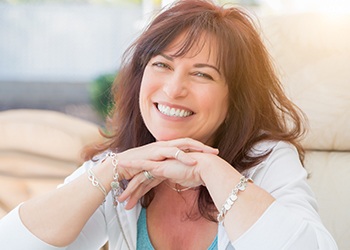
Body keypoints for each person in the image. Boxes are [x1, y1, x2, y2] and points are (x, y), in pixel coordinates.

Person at [0, 0, 338, 249]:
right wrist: (109, 170)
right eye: (162, 64)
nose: (174, 89)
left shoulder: (268, 159)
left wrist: (208, 168)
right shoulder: (123, 163)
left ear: (235, 98)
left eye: (202, 74)